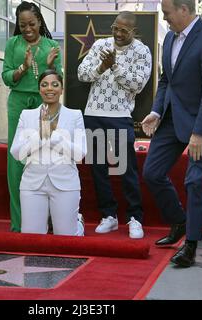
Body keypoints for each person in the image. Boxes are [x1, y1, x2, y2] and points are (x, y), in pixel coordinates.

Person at [141, 0, 202, 267]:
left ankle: (190, 244)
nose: (165, 18)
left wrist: (199, 132)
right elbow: (167, 80)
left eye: (167, 13)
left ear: (183, 9)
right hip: (170, 120)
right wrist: (156, 112)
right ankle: (179, 222)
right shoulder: (169, 38)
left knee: (195, 181)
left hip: (201, 123)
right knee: (152, 173)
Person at [77, 11, 152, 239]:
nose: (118, 33)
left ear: (134, 31)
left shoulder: (142, 51)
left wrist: (115, 67)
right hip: (94, 114)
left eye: (124, 30)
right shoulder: (100, 45)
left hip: (120, 116)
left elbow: (137, 85)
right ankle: (109, 215)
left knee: (126, 168)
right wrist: (101, 67)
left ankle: (134, 218)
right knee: (98, 168)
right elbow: (82, 74)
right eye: (115, 28)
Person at [2, 1, 63, 232]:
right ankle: (19, 223)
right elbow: (7, 75)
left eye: (32, 24)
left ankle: (44, 220)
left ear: (40, 22)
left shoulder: (50, 45)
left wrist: (50, 66)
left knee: (43, 156)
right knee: (17, 160)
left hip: (44, 104)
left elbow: (59, 79)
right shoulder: (12, 44)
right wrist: (22, 68)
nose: (27, 29)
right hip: (18, 103)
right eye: (22, 25)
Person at [10, 70, 86, 236]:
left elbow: (80, 154)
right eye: (44, 85)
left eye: (55, 84)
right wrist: (41, 133)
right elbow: (16, 152)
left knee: (65, 238)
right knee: (32, 239)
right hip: (32, 184)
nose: (49, 88)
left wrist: (53, 134)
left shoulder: (75, 115)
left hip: (65, 182)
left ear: (62, 89)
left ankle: (77, 223)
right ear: (39, 90)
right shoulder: (27, 115)